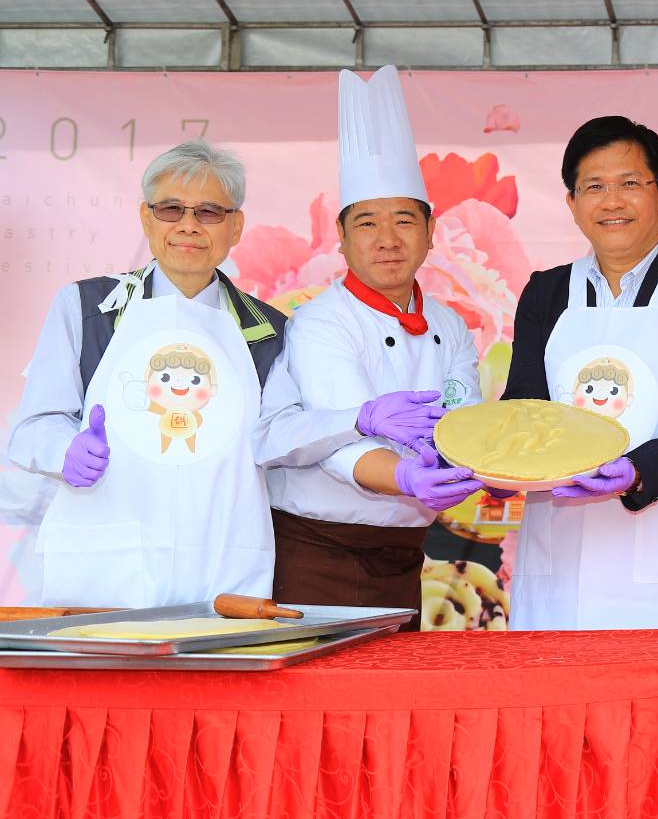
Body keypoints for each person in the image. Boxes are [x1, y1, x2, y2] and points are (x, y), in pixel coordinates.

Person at [7, 140, 436, 607]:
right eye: (170, 209)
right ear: (146, 218)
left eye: (209, 212)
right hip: (108, 553)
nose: (188, 225)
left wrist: (361, 421)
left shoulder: (269, 331)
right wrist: (65, 449)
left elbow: (281, 438)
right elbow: (32, 427)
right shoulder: (87, 307)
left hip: (225, 558)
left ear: (236, 226)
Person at [501, 115, 658, 629]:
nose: (612, 201)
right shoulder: (545, 293)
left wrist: (634, 471)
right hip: (559, 553)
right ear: (572, 203)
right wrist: (496, 464)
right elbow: (525, 403)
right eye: (594, 187)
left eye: (630, 183)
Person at [256, 67, 483, 614]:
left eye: (403, 220)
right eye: (366, 224)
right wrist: (406, 475)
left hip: (404, 551)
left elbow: (462, 417)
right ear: (340, 236)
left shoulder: (450, 324)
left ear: (430, 232)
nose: (387, 240)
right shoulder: (323, 322)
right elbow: (341, 440)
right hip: (318, 551)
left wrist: (488, 464)